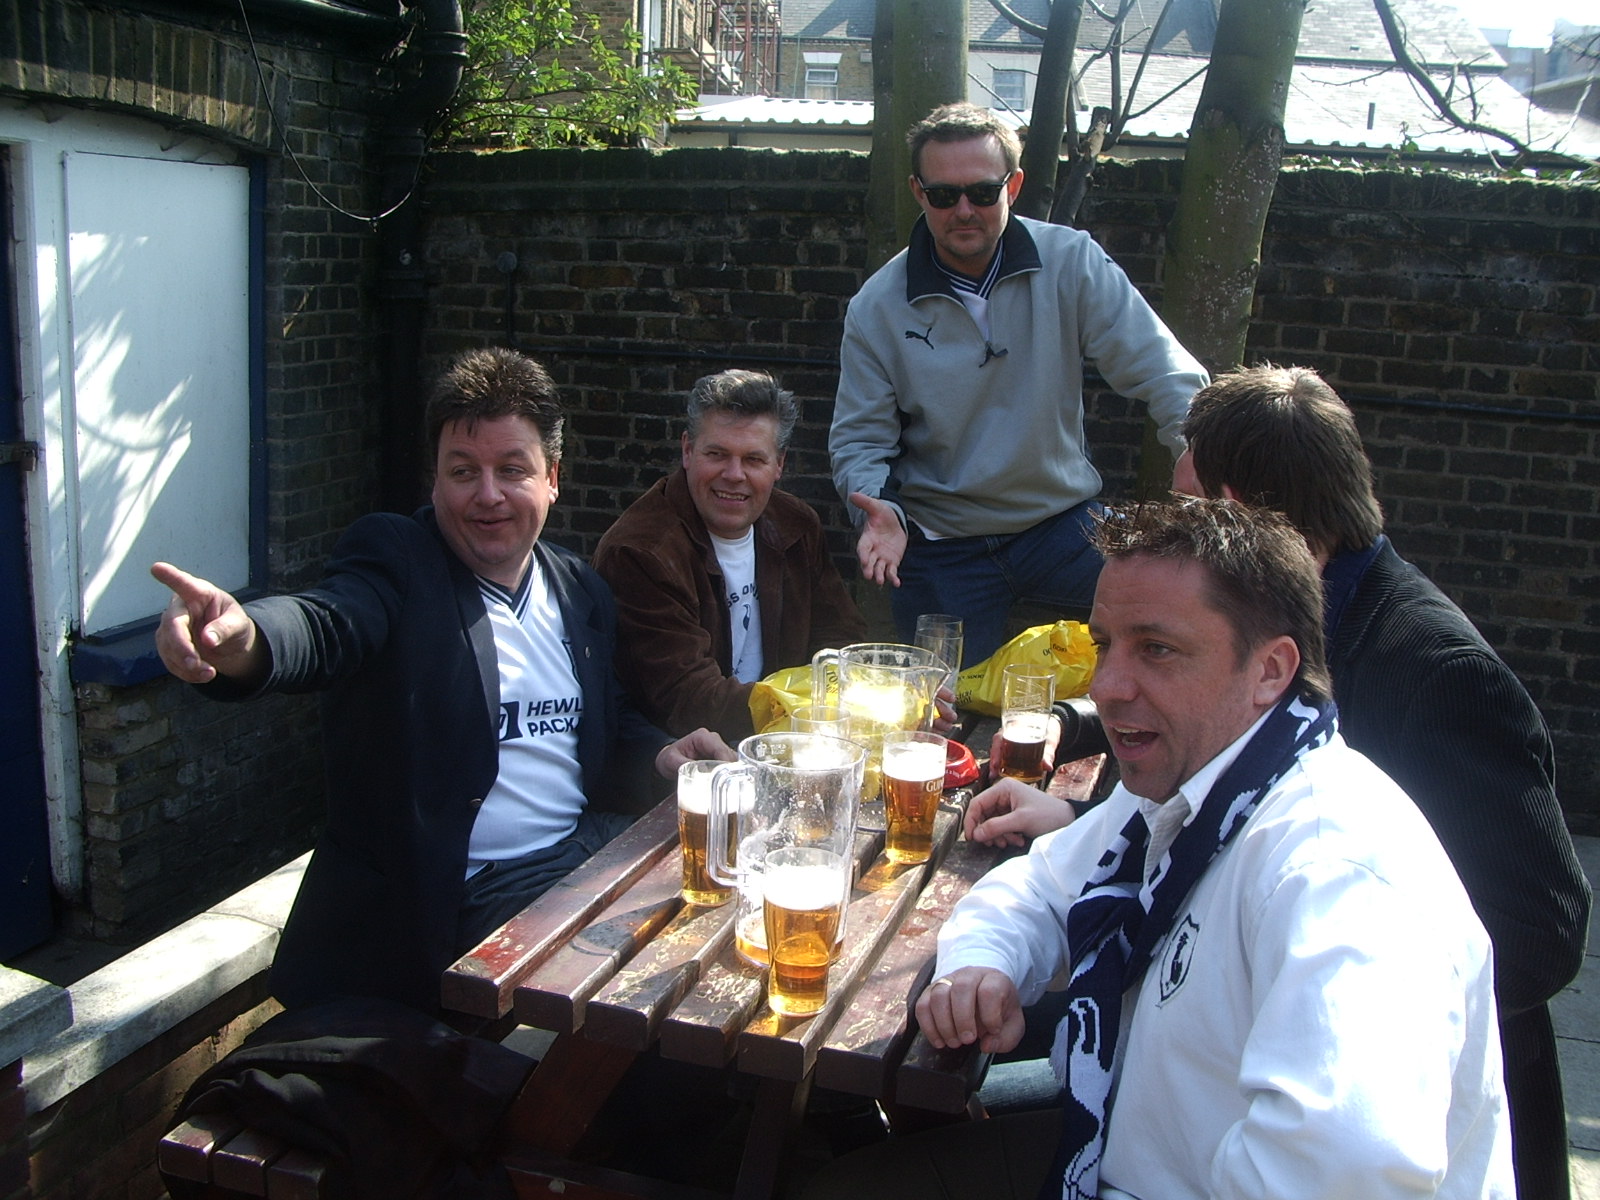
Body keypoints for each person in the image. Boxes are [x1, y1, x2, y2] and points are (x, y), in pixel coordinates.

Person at [967, 364, 1589, 1200]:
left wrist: (1288, 984)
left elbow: (1541, 930)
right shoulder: (1248, 728)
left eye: (1188, 510)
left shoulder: (1428, 687)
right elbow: (1169, 815)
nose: (1177, 532)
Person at [805, 498, 1514, 1200]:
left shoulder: (1335, 876)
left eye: (1157, 649)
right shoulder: (1193, 788)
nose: (1107, 687)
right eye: (1104, 645)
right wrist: (983, 966)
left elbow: (1342, 1177)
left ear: (1270, 670)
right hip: (1125, 1144)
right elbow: (1038, 886)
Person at [153, 347, 731, 1012]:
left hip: (579, 856)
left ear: (552, 477)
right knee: (658, 999)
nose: (487, 495)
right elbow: (327, 622)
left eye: (511, 469)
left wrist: (661, 753)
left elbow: (604, 722)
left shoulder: (580, 590)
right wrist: (247, 639)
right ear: (435, 481)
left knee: (729, 916)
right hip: (465, 895)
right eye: (463, 471)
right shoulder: (398, 561)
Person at [828, 101, 1209, 663]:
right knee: (939, 703)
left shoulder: (1071, 262)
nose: (964, 210)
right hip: (942, 540)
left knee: (1169, 631)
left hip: (1061, 524)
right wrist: (878, 512)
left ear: (1014, 185)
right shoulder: (877, 306)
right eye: (943, 195)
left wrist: (1201, 454)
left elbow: (1163, 368)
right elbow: (859, 440)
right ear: (918, 193)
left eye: (983, 192)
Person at [593, 369, 866, 742]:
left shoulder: (795, 524)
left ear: (779, 464)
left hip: (790, 739)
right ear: (688, 451)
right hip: (686, 759)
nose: (734, 474)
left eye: (753, 459)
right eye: (717, 454)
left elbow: (840, 641)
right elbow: (688, 700)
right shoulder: (641, 552)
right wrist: (808, 710)